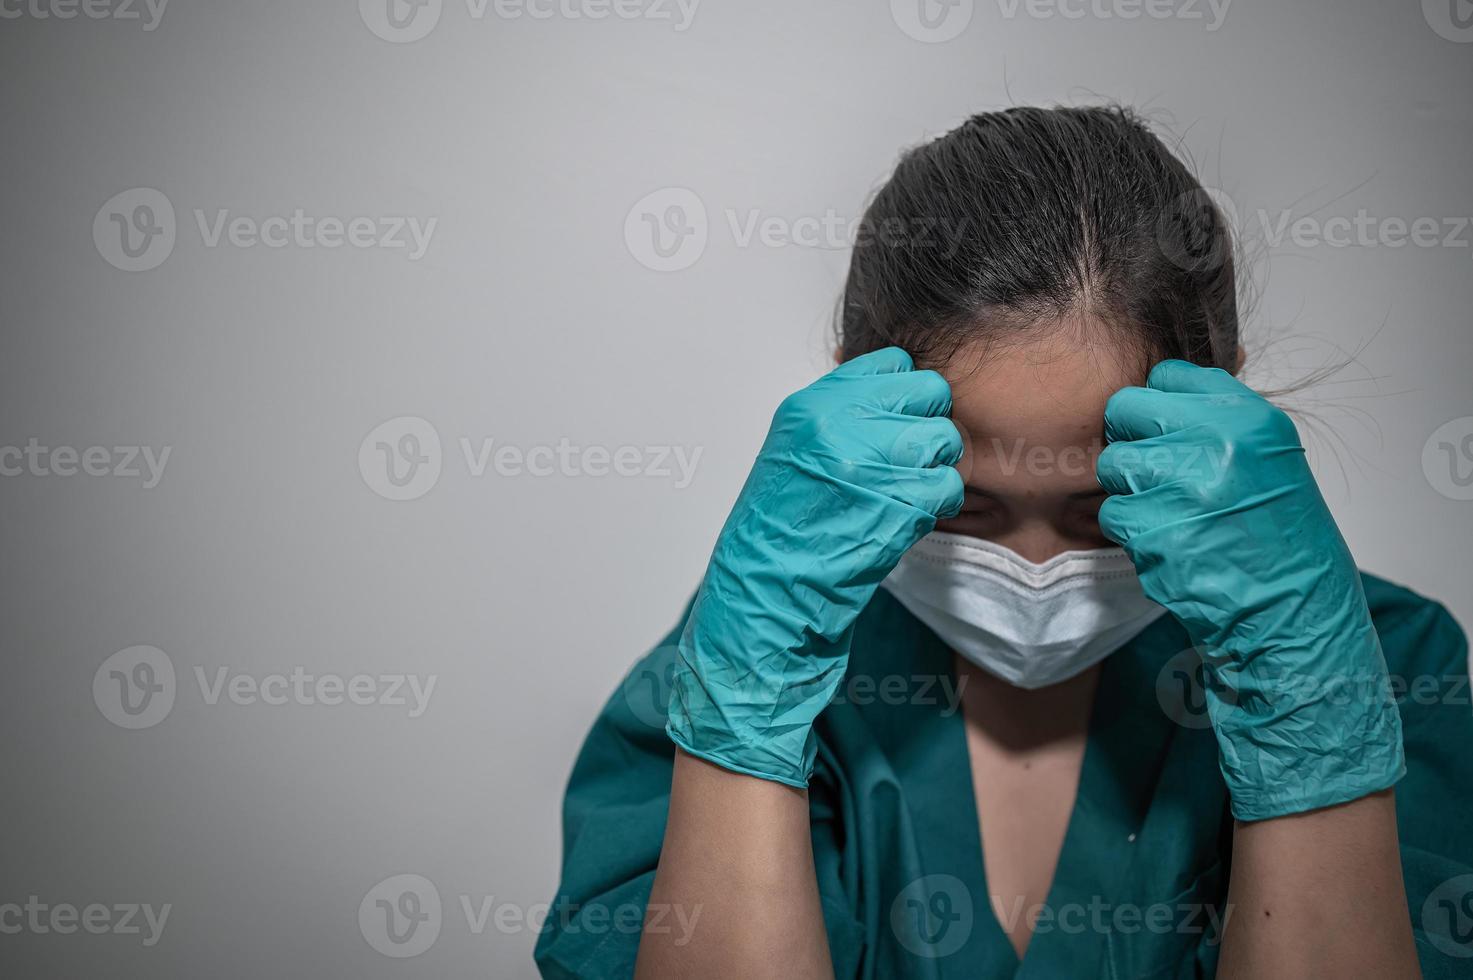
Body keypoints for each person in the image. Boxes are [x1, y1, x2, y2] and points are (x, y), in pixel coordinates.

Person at [534, 106, 1472, 979]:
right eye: (965, 509)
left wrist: (1307, 722)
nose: (1033, 574)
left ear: (1217, 419)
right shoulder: (745, 654)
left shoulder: (1386, 670)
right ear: (862, 418)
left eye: (1095, 507)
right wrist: (743, 719)